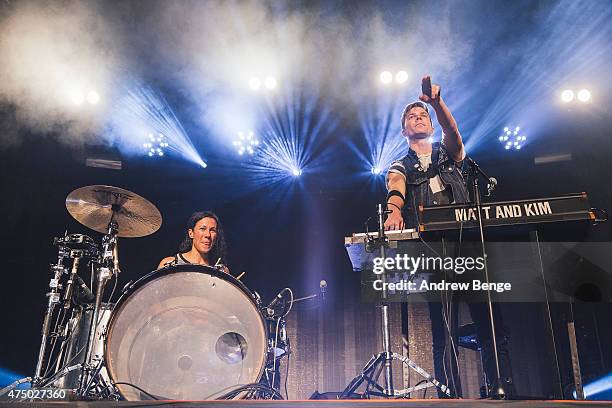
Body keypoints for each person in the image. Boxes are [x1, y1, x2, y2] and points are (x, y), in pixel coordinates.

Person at [383, 76, 513, 398]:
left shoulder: (448, 152)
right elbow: (396, 187)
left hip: (467, 243)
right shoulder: (400, 165)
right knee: (444, 327)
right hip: (432, 251)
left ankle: (499, 390)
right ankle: (449, 397)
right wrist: (393, 212)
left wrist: (437, 102)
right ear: (404, 131)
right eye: (411, 117)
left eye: (422, 115)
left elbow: (453, 134)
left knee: (488, 321)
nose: (418, 118)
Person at [158, 211, 229, 273]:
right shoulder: (169, 264)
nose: (208, 235)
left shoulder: (222, 271)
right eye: (202, 229)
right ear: (191, 233)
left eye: (212, 230)